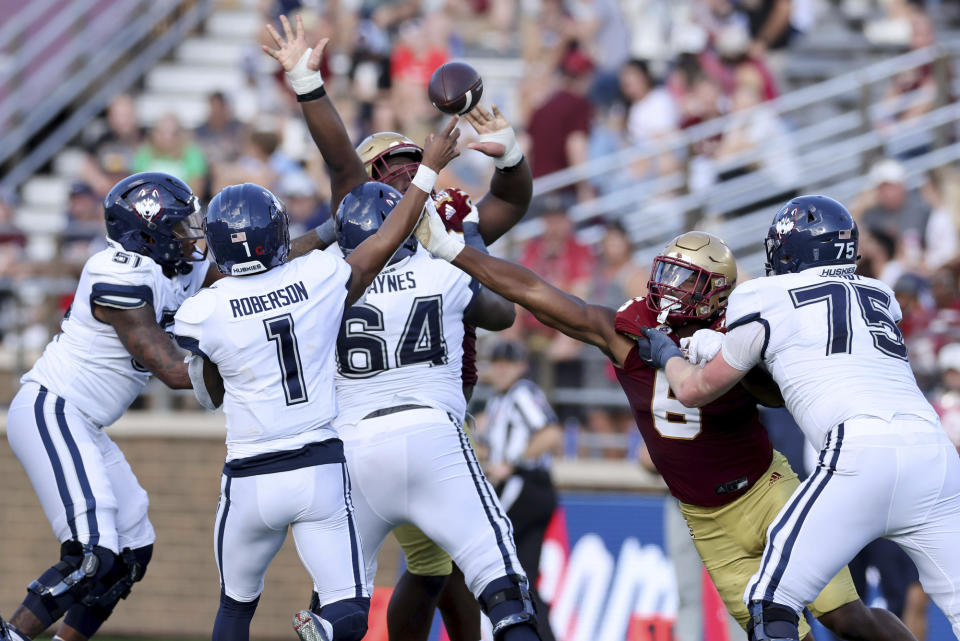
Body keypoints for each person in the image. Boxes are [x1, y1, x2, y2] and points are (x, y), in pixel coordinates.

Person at [412, 213, 924, 641]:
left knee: (847, 618)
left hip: (769, 493)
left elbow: (778, 394)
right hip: (707, 519)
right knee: (778, 635)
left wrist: (730, 364)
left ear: (717, 294)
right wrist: (454, 249)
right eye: (667, 273)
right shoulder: (630, 331)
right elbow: (531, 290)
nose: (668, 290)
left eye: (687, 280)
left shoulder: (741, 331)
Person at [261, 14, 533, 641]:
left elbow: (510, 203)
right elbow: (503, 308)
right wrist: (307, 81)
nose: (408, 174)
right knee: (428, 573)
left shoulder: (425, 227)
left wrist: (511, 158)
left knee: (426, 570)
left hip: (421, 410)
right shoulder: (363, 236)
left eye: (412, 162)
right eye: (390, 167)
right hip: (387, 418)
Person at [172, 118, 459, 641]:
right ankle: (322, 632)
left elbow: (207, 390)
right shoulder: (316, 278)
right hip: (316, 469)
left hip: (247, 474)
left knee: (234, 609)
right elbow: (382, 242)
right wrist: (426, 176)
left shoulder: (204, 310)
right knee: (348, 612)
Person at [626, 195, 960, 640]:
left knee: (770, 601)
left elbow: (692, 388)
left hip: (858, 453)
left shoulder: (763, 295)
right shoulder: (881, 295)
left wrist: (669, 354)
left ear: (787, 251)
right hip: (935, 458)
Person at [2, 172, 210, 641]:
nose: (191, 236)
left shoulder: (173, 268)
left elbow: (257, 266)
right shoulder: (116, 271)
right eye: (180, 227)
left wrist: (325, 237)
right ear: (149, 232)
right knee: (93, 555)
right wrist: (255, 363)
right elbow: (175, 371)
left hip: (85, 422)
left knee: (130, 554)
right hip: (53, 410)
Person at [477, 340, 562, 641]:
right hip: (526, 489)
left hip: (524, 487)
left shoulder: (522, 393)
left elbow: (551, 433)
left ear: (521, 366)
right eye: (497, 362)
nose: (501, 368)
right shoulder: (498, 401)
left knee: (494, 563)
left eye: (507, 363)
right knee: (523, 576)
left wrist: (512, 463)